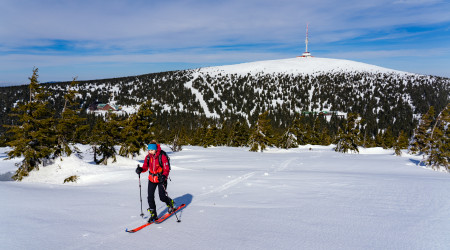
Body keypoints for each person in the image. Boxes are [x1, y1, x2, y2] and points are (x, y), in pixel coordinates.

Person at [135, 141, 174, 222]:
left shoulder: (162, 156)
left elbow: (166, 169)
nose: (150, 151)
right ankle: (154, 214)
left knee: (162, 197)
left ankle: (170, 203)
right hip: (152, 179)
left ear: (156, 149)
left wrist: (164, 176)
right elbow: (145, 167)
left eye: (152, 150)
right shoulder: (148, 157)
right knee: (150, 197)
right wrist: (140, 169)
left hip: (161, 179)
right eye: (149, 150)